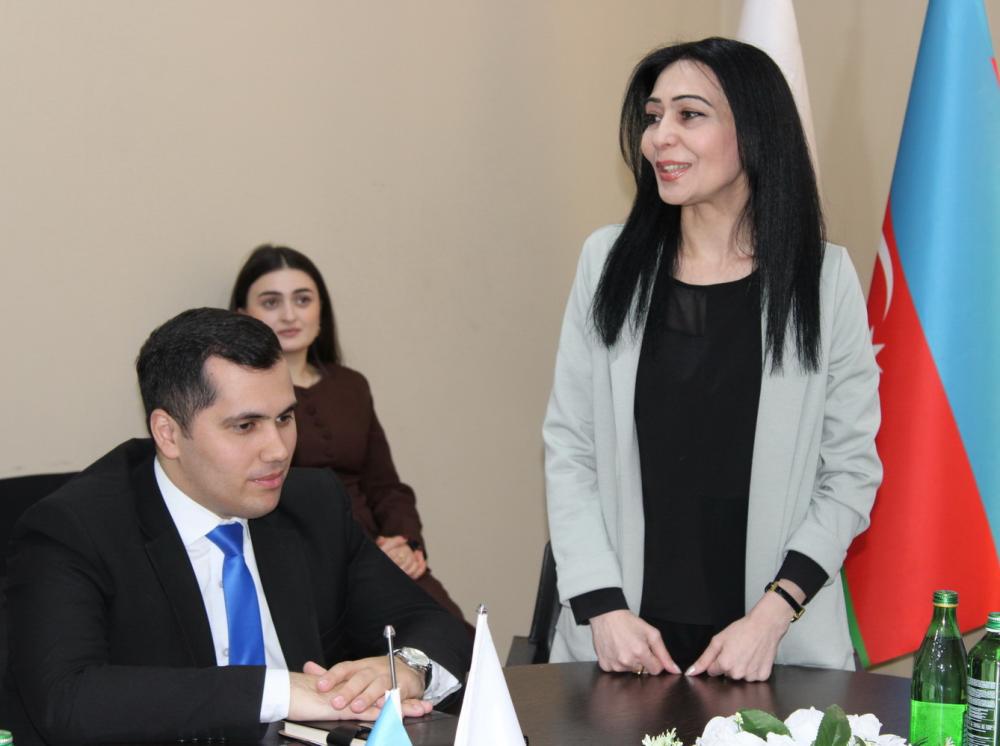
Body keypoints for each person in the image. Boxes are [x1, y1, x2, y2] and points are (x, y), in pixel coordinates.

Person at [543, 37, 881, 681]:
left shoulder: (822, 279)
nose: (659, 137)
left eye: (689, 115)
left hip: (769, 643)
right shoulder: (607, 262)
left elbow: (849, 472)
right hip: (624, 642)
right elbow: (570, 450)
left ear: (753, 131)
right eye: (653, 116)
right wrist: (602, 608)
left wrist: (772, 616)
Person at [5, 308, 472, 745]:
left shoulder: (313, 505)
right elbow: (67, 697)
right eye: (246, 426)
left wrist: (405, 668)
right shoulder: (74, 529)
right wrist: (280, 692)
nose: (278, 450)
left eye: (284, 418)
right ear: (168, 433)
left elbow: (434, 623)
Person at [230, 244, 469, 629]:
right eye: (271, 302)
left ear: (321, 310)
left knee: (456, 640)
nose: (289, 315)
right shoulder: (236, 398)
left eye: (303, 300)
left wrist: (404, 541)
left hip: (375, 553)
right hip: (295, 560)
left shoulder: (351, 386)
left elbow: (386, 486)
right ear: (243, 315)